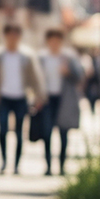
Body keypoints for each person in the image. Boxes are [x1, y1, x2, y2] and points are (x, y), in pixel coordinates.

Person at [0, 24, 45, 175]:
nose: (12, 38)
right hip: (2, 97)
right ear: (5, 36)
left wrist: (39, 96)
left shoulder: (26, 56)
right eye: (10, 35)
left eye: (15, 35)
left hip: (21, 97)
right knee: (2, 130)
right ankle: (4, 161)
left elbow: (35, 78)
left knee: (18, 132)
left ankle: (17, 164)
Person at [38, 29, 83, 175]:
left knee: (63, 133)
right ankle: (48, 166)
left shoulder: (68, 57)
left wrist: (68, 72)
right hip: (47, 100)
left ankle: (62, 166)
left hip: (64, 100)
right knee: (46, 133)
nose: (54, 44)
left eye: (57, 41)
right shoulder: (42, 58)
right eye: (52, 41)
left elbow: (80, 76)